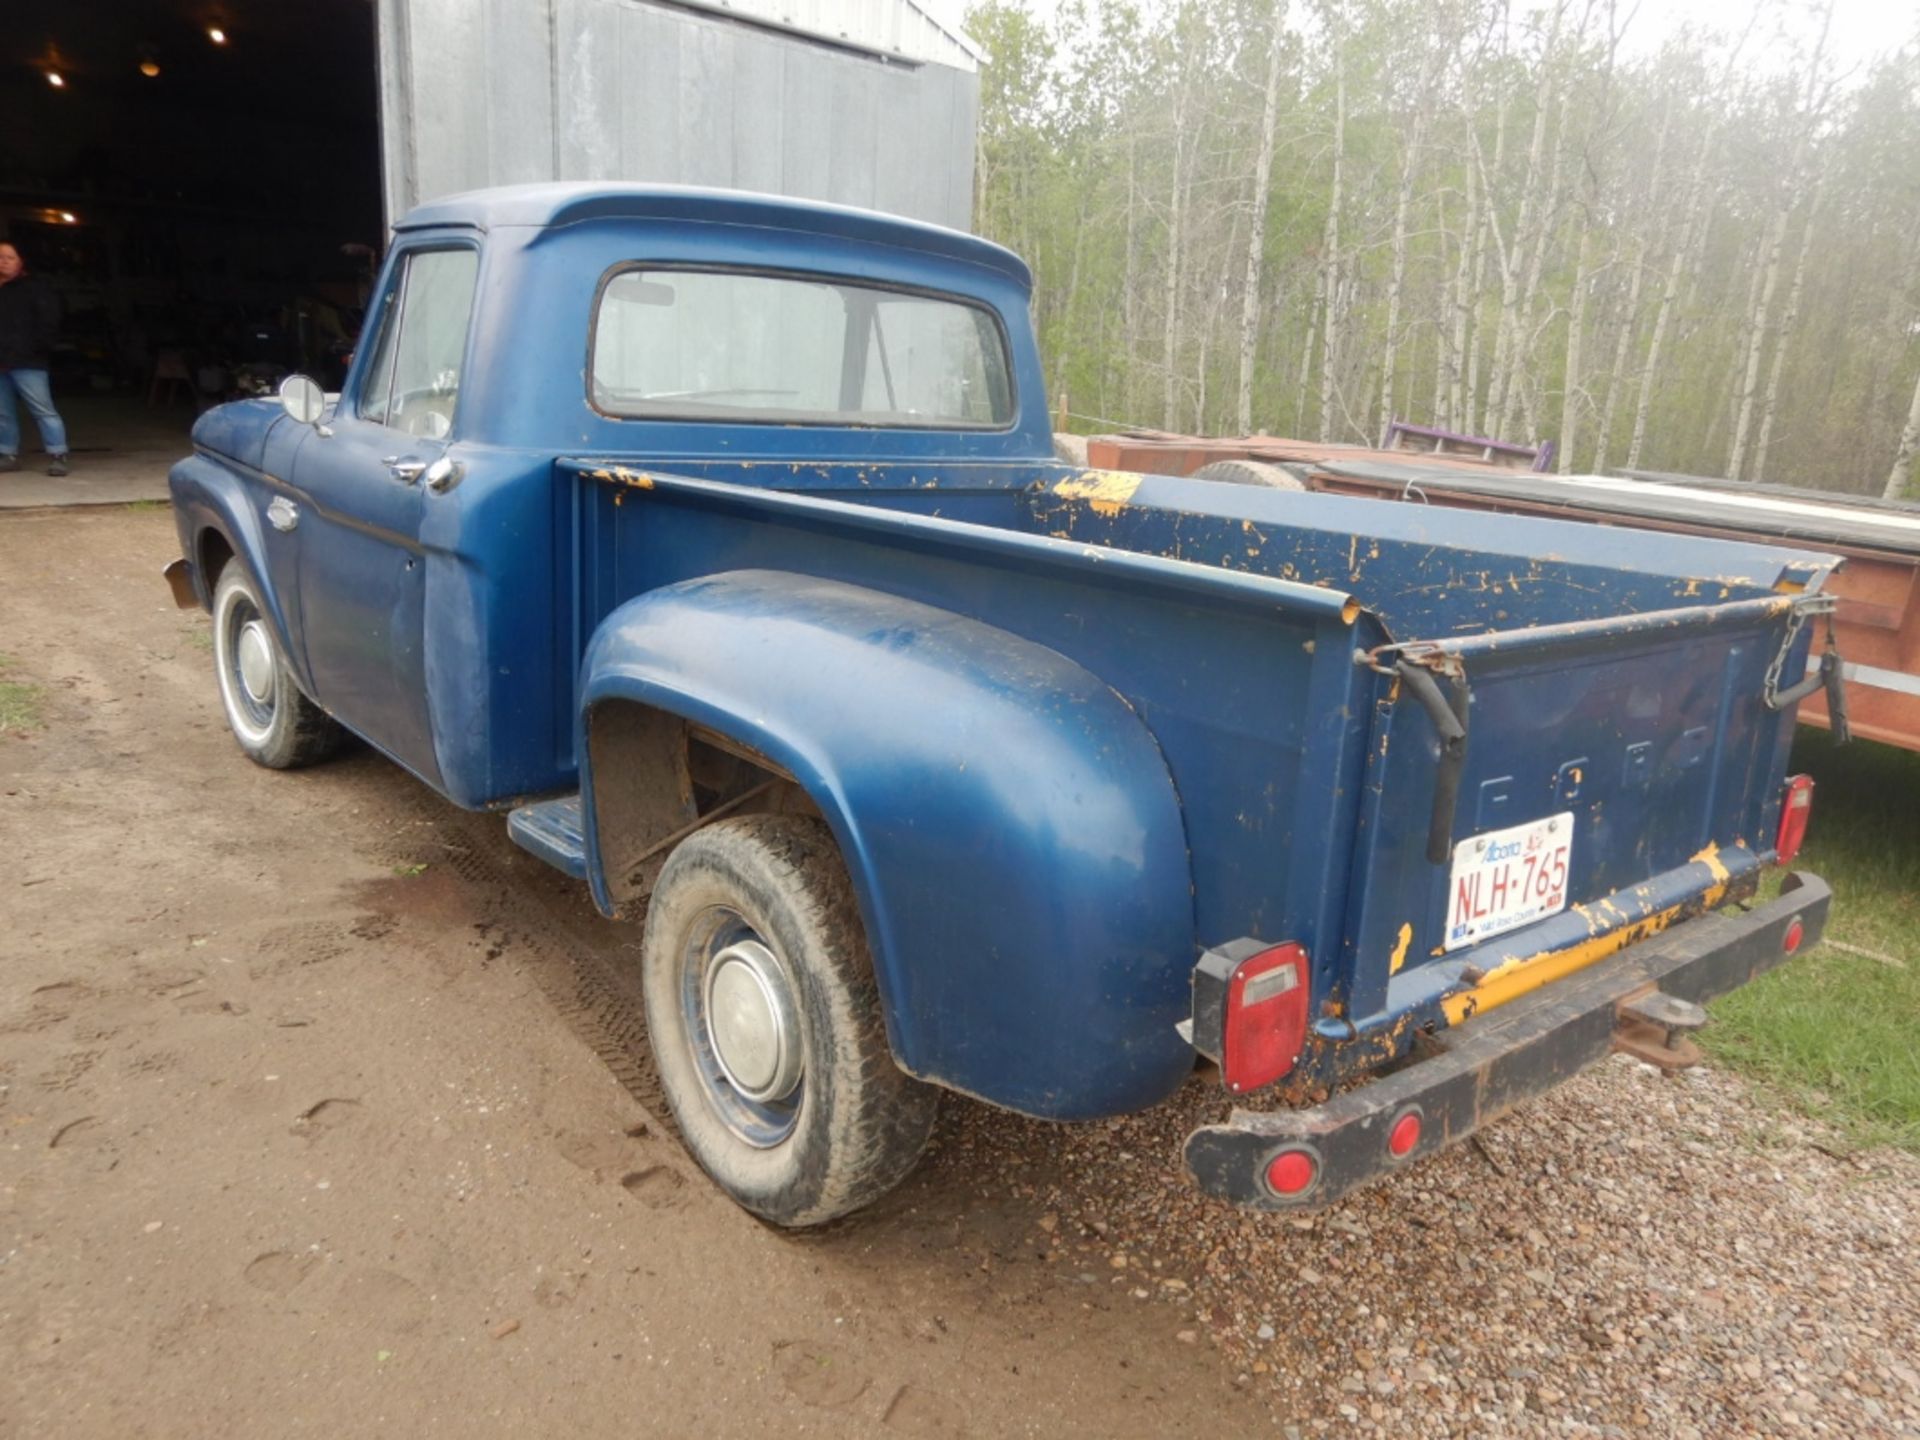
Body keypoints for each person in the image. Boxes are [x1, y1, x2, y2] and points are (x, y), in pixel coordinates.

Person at [0, 241, 71, 477]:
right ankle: (8, 454)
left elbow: (49, 322)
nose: (3, 262)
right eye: (0, 257)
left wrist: (38, 349)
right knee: (3, 412)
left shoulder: (35, 287)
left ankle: (58, 455)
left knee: (43, 410)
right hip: (1, 362)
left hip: (28, 361)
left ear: (21, 262)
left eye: (9, 257)